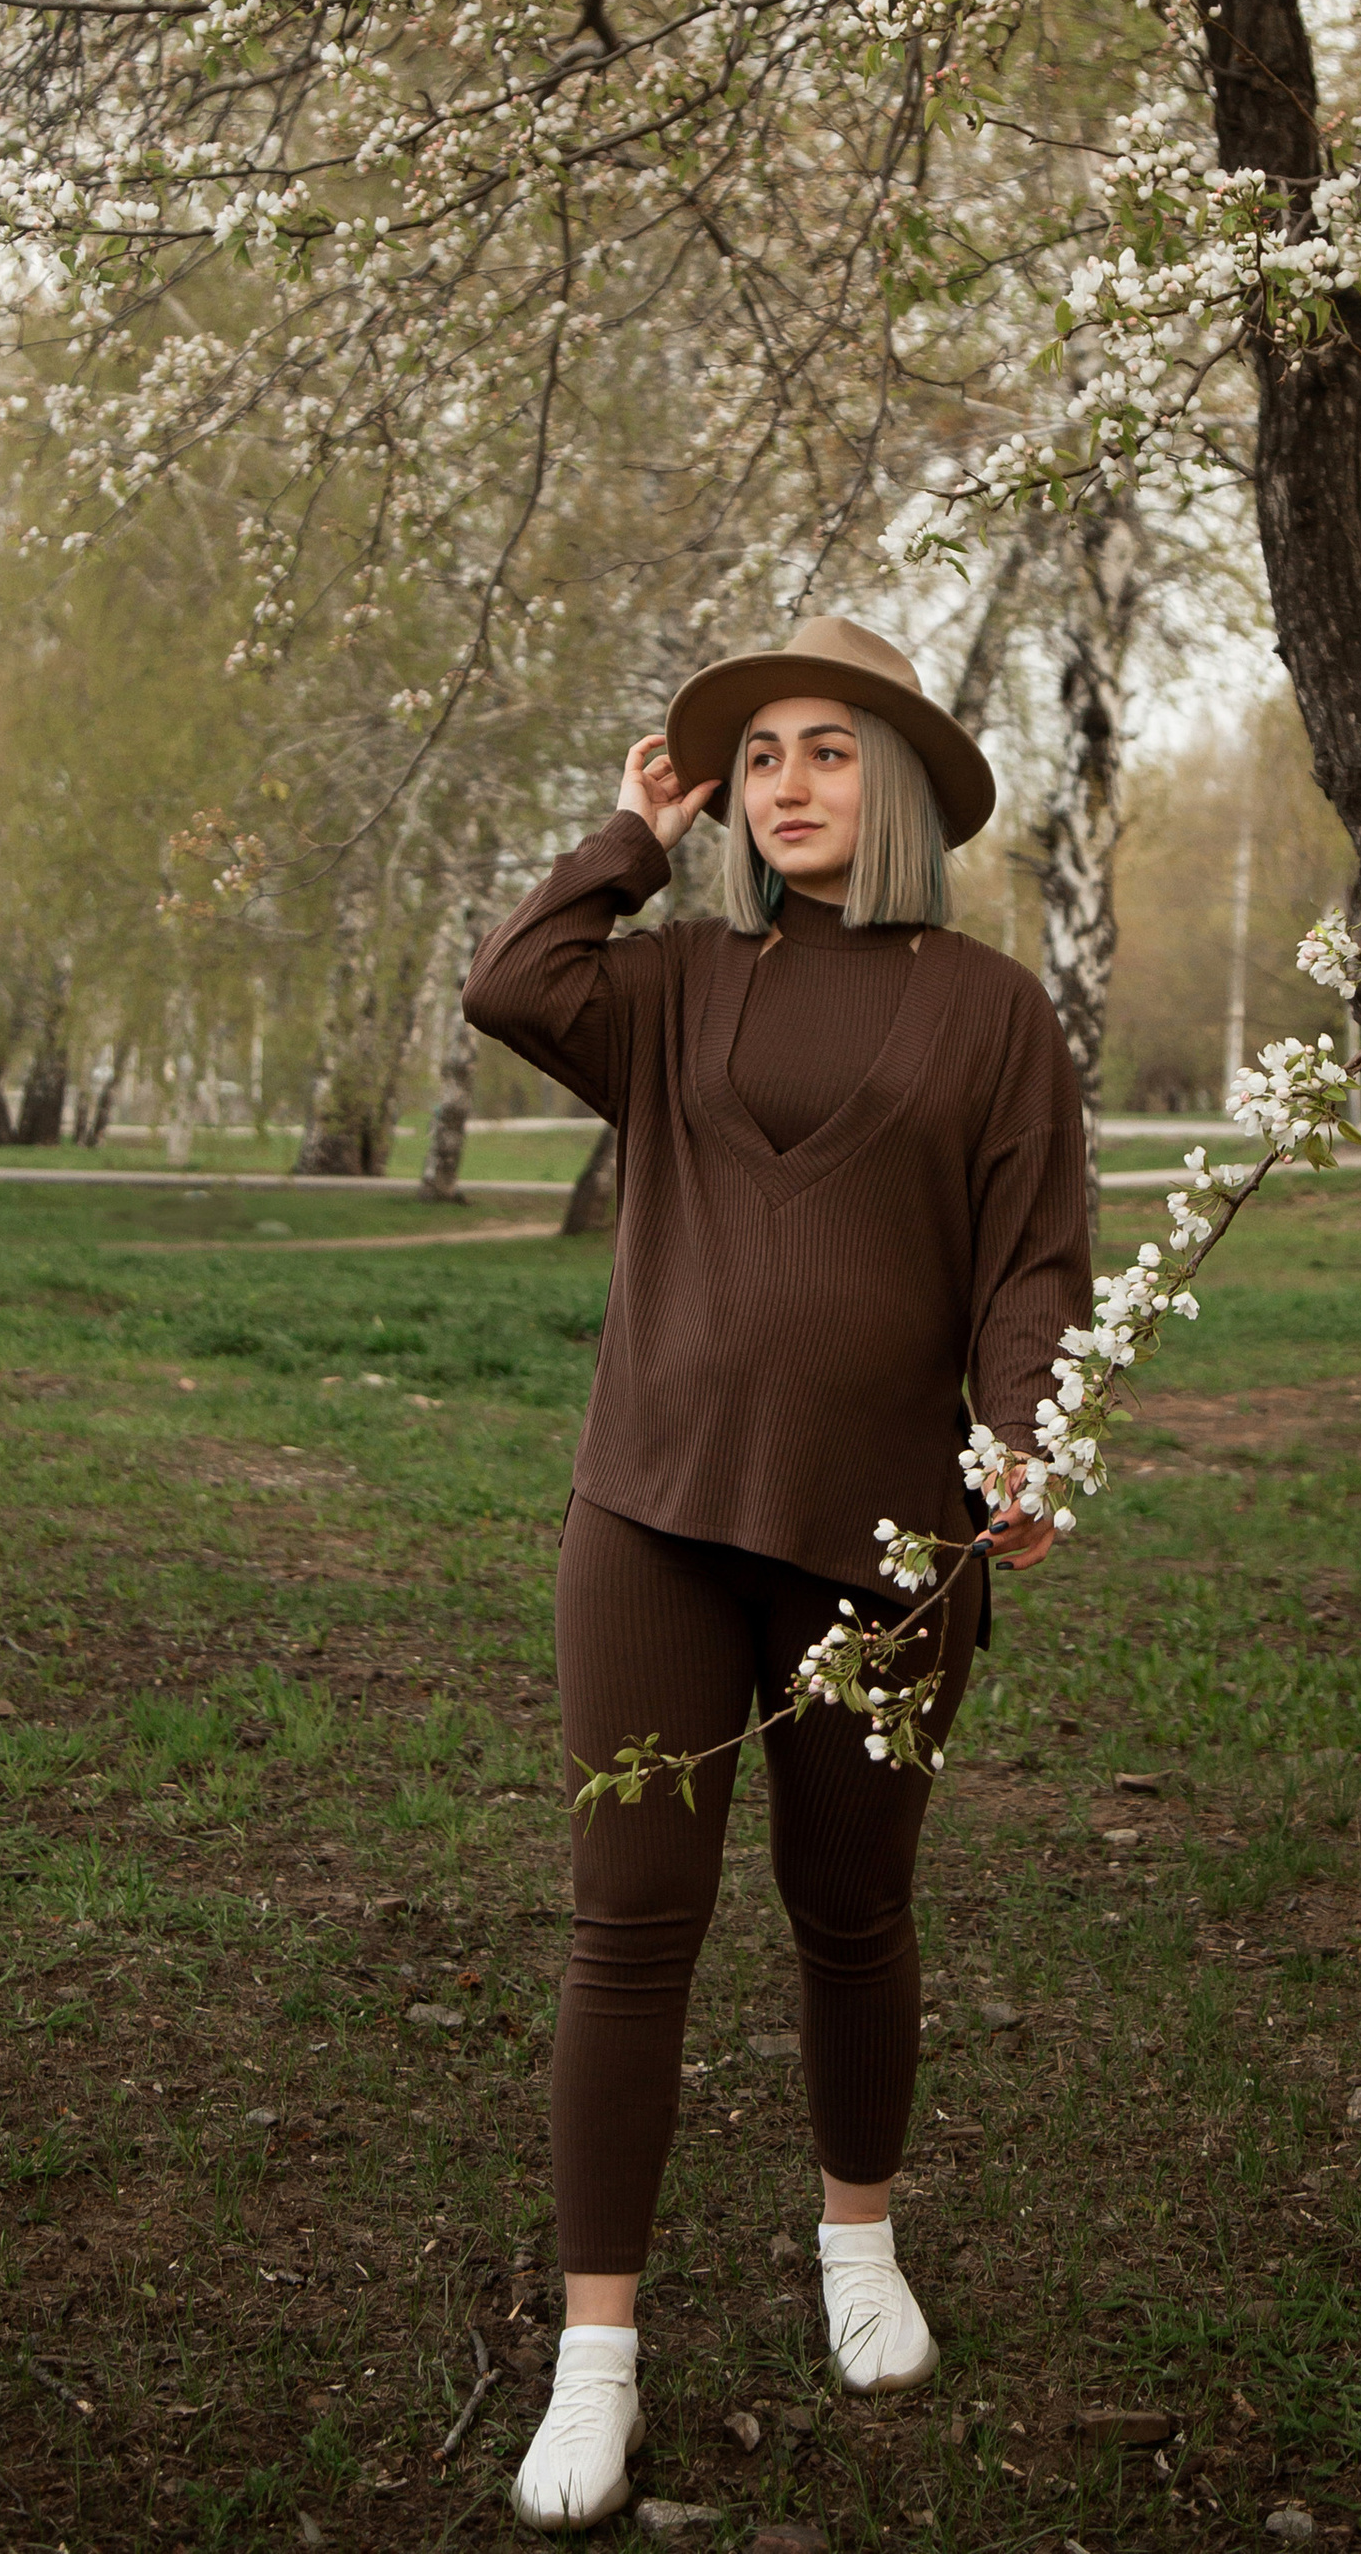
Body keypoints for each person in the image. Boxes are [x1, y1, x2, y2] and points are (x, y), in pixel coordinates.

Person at [462, 614, 1093, 2531]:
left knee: (851, 1911)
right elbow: (510, 984)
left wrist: (1022, 1440)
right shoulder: (671, 984)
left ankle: (858, 2249)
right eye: (759, 762)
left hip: (884, 1554)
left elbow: (1033, 1263)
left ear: (892, 783)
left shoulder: (994, 1013)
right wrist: (625, 840)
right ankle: (596, 2360)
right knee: (627, 1923)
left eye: (828, 750)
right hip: (649, 1514)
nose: (788, 784)